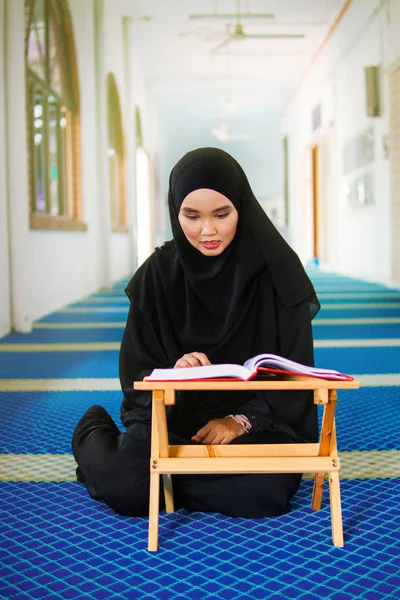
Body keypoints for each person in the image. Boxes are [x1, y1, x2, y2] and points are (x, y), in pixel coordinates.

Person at [72, 147, 320, 519]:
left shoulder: (278, 274)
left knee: (264, 492)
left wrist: (239, 421)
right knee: (124, 486)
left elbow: (295, 372)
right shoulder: (157, 274)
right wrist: (175, 376)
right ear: (176, 213)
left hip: (254, 424)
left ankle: (162, 480)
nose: (208, 230)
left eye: (222, 214)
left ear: (242, 207)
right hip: (173, 418)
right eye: (191, 216)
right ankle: (94, 430)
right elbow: (137, 371)